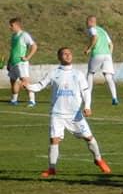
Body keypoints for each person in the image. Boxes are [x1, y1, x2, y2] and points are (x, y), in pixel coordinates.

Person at [26, 47, 111, 178]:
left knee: (89, 138)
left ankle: (98, 159)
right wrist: (28, 86)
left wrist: (87, 106)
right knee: (54, 140)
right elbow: (40, 85)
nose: (68, 55)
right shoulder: (53, 73)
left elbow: (86, 92)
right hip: (57, 114)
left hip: (75, 115)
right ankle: (51, 169)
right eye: (64, 54)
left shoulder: (78, 74)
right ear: (59, 57)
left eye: (69, 53)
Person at [83, 15, 119, 106]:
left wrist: (89, 49)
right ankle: (114, 98)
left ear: (91, 22)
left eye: (87, 22)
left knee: (90, 74)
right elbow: (111, 44)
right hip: (107, 55)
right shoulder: (103, 30)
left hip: (97, 54)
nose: (86, 24)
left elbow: (95, 37)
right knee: (108, 77)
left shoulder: (92, 29)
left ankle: (88, 97)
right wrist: (109, 55)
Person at [7, 17, 38, 107]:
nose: (10, 27)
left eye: (11, 25)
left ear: (17, 25)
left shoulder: (24, 35)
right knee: (13, 81)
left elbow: (34, 46)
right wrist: (9, 61)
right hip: (13, 63)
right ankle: (14, 100)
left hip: (21, 63)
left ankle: (32, 100)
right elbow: (13, 50)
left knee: (25, 81)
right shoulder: (13, 36)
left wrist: (27, 57)